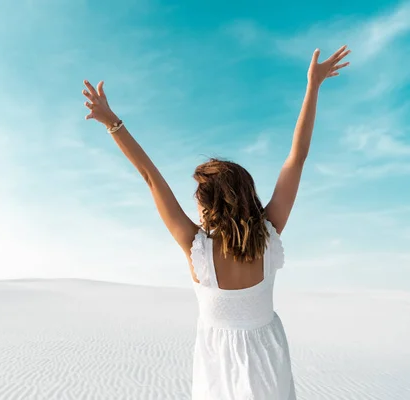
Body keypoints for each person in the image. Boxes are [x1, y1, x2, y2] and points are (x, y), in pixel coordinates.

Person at [82, 45, 351, 399]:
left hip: (217, 364)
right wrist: (313, 86)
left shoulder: (197, 249)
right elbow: (296, 158)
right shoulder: (269, 235)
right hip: (268, 359)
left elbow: (150, 176)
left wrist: (113, 123)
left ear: (210, 205)